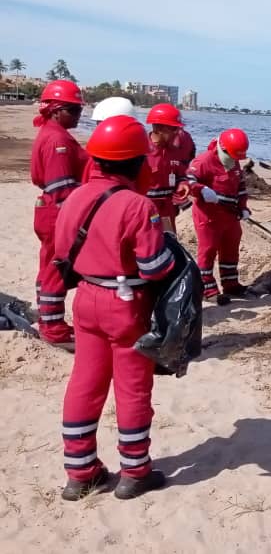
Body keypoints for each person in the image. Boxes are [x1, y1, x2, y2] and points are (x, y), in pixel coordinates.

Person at [55, 114, 174, 500]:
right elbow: (153, 268)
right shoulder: (138, 207)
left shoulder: (76, 195)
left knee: (85, 383)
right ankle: (135, 472)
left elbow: (61, 251)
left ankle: (80, 472)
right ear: (137, 162)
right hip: (126, 305)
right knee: (132, 388)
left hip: (86, 300)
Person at [30, 79, 89, 346]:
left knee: (48, 268)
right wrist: (75, 220)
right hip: (57, 213)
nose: (78, 115)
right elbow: (61, 188)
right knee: (56, 268)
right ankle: (52, 327)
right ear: (55, 109)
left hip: (49, 211)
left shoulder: (52, 133)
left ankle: (47, 319)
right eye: (73, 110)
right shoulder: (57, 141)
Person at [186, 129, 250, 305]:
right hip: (208, 216)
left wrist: (243, 207)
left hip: (230, 216)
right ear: (223, 148)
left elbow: (241, 187)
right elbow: (188, 180)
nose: (234, 160)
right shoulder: (204, 161)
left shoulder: (234, 162)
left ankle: (231, 284)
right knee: (207, 251)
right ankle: (208, 290)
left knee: (231, 249)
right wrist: (201, 190)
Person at [145, 104, 190, 233]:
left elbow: (181, 174)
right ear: (158, 129)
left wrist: (183, 184)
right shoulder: (142, 151)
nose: (178, 132)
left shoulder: (175, 152)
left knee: (169, 242)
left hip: (167, 212)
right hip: (146, 210)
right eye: (174, 129)